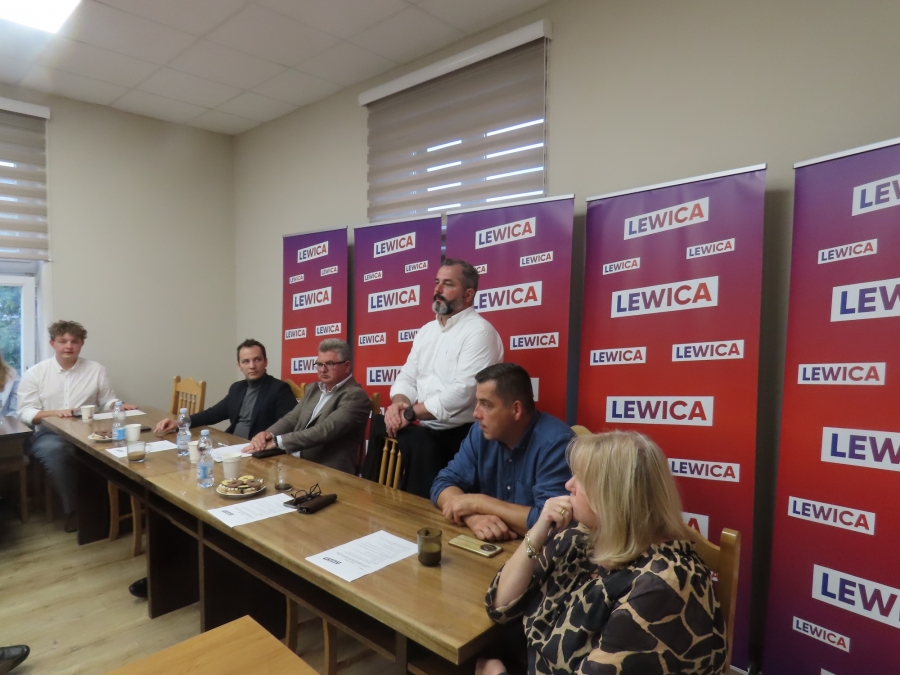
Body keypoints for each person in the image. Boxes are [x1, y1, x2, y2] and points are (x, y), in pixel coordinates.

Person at [480, 431, 726, 675]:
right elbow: (500, 606)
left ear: (612, 496)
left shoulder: (662, 587)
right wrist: (539, 529)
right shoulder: (582, 537)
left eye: (581, 479)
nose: (568, 485)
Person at [363, 259, 503, 497]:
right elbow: (408, 375)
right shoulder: (427, 330)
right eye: (437, 282)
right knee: (403, 502)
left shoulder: (480, 332)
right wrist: (399, 404)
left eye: (448, 284)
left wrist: (410, 414)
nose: (437, 290)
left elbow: (463, 392)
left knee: (436, 510)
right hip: (423, 436)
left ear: (468, 294)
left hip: (461, 441)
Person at [431, 363, 572, 542]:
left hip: (539, 553)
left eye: (486, 404)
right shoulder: (479, 433)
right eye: (477, 403)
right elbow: (443, 484)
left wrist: (479, 503)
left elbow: (551, 522)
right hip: (490, 546)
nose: (476, 413)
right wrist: (473, 518)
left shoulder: (556, 443)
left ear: (516, 410)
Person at [18, 320, 134, 533]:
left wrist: (118, 405)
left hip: (89, 432)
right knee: (57, 452)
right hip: (49, 434)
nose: (68, 346)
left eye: (74, 341)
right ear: (52, 343)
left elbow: (107, 401)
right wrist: (54, 413)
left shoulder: (96, 370)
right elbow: (24, 412)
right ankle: (76, 511)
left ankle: (118, 507)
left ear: (82, 344)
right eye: (63, 341)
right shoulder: (35, 373)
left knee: (121, 445)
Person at [243, 339, 371, 474]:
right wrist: (268, 434)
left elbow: (324, 431)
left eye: (330, 364)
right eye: (319, 364)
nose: (323, 370)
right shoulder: (314, 388)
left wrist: (277, 441)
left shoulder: (356, 396)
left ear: (347, 366)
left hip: (326, 471)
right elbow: (291, 418)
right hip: (293, 462)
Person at [154, 339, 296, 440]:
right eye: (246, 361)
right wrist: (179, 423)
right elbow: (213, 414)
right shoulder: (237, 388)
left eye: (257, 360)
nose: (252, 366)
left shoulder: (279, 389)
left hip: (260, 451)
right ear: (239, 366)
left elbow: (290, 426)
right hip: (232, 444)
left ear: (266, 362)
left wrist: (267, 437)